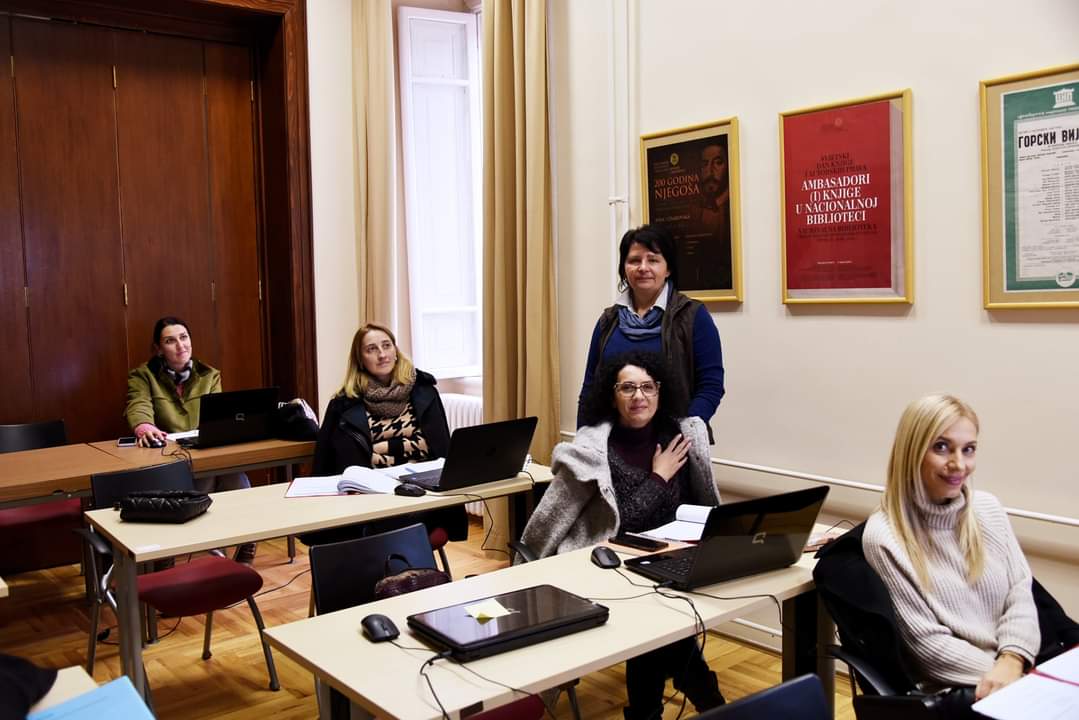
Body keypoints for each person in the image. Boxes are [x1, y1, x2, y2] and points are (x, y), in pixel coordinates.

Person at [523, 352, 725, 718]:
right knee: (661, 633)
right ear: (611, 394)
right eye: (627, 388)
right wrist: (658, 477)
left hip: (670, 559)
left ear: (660, 391)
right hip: (611, 566)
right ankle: (711, 705)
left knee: (659, 636)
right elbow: (619, 525)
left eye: (648, 387)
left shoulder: (678, 436)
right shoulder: (594, 451)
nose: (639, 396)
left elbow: (695, 504)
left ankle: (662, 710)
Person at [863, 394, 1040, 705]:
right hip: (960, 689)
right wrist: (1009, 679)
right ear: (912, 452)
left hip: (1013, 670)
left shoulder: (988, 509)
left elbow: (1020, 592)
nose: (959, 464)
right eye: (941, 447)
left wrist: (1013, 659)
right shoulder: (884, 537)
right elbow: (928, 646)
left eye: (968, 449)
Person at [309, 323, 466, 543]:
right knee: (386, 529)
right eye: (371, 349)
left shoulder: (425, 393)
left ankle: (395, 561)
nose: (382, 354)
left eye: (386, 345)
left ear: (395, 350)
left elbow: (443, 450)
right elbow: (325, 462)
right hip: (370, 499)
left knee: (398, 529)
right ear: (360, 359)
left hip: (423, 494)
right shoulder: (343, 405)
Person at [124, 316, 255, 562]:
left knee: (235, 475)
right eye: (170, 341)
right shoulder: (143, 375)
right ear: (158, 349)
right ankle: (214, 549)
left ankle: (246, 542)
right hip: (169, 454)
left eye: (184, 338)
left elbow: (217, 414)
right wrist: (143, 426)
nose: (180, 345)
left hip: (204, 448)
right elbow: (138, 404)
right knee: (209, 477)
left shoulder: (209, 375)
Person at [578, 224, 725, 439]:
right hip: (611, 444)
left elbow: (711, 385)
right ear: (624, 268)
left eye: (653, 260)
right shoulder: (608, 321)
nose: (643, 267)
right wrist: (583, 441)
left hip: (673, 442)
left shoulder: (693, 316)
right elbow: (590, 388)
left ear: (668, 269)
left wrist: (684, 433)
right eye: (634, 260)